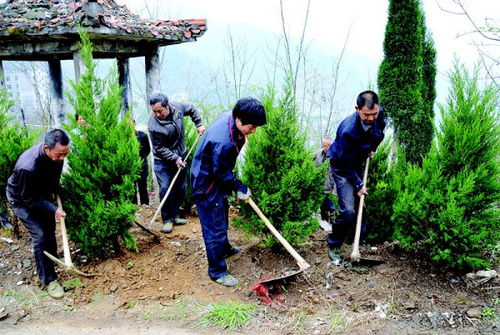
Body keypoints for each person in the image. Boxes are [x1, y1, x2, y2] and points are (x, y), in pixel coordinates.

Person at [191, 97, 266, 287]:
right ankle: (217, 271)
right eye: (251, 126)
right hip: (206, 184)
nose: (253, 131)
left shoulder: (230, 117)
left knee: (222, 214)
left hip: (214, 176)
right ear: (239, 119)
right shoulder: (222, 141)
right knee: (214, 226)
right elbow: (221, 172)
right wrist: (241, 188)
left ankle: (223, 247)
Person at [6, 129, 70, 298]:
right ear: (46, 148)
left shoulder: (58, 155)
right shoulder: (27, 167)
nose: (62, 158)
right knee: (40, 236)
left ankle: (52, 261)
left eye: (66, 153)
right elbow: (29, 200)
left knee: (49, 228)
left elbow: (53, 177)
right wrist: (53, 208)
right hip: (22, 199)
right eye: (59, 154)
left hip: (40, 193)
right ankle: (48, 279)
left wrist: (56, 192)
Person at [326, 91, 386, 265]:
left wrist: (372, 147)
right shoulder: (347, 130)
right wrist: (358, 184)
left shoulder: (378, 115)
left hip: (357, 160)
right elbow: (345, 163)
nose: (371, 118)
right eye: (366, 115)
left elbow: (379, 131)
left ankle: (360, 240)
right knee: (348, 210)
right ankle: (334, 244)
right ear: (357, 109)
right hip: (342, 166)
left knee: (361, 204)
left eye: (374, 113)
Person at [148, 92, 205, 233]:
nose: (157, 114)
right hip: (163, 161)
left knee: (180, 187)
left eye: (159, 111)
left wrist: (198, 124)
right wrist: (175, 158)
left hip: (181, 155)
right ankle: (167, 219)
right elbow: (159, 148)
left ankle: (175, 214)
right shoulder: (153, 126)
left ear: (167, 106)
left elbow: (191, 109)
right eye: (154, 111)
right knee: (165, 188)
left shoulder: (178, 107)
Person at [314, 136, 336, 222]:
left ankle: (333, 226)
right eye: (324, 145)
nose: (325, 147)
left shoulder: (335, 156)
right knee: (322, 208)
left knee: (332, 208)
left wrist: (334, 190)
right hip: (319, 187)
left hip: (331, 187)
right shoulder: (317, 154)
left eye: (328, 145)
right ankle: (324, 225)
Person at [135, 122, 151, 206]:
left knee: (142, 184)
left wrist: (142, 158)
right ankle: (133, 204)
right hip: (131, 165)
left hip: (142, 163)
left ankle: (145, 203)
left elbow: (148, 150)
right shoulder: (124, 137)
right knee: (131, 185)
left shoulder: (143, 136)